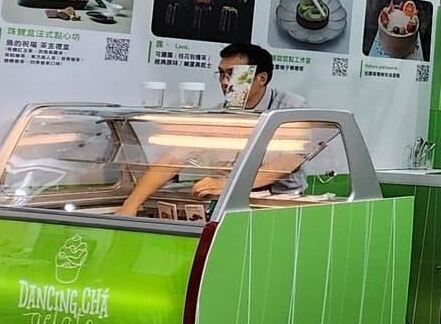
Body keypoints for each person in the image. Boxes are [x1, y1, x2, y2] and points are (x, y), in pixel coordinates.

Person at [116, 42, 310, 214]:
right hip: (226, 203)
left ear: (261, 78)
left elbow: (287, 162)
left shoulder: (291, 107)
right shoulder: (219, 114)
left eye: (233, 74)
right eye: (222, 74)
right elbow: (172, 159)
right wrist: (131, 204)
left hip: (279, 206)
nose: (225, 82)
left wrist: (228, 184)